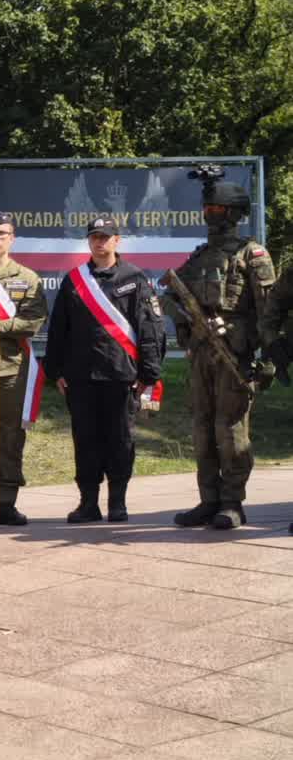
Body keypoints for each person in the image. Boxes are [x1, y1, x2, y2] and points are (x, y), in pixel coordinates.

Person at [164, 178, 273, 530]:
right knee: (202, 428)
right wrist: (182, 321)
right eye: (208, 209)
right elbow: (175, 296)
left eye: (218, 210)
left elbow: (269, 311)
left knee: (230, 429)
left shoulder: (252, 255)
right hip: (200, 353)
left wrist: (266, 358)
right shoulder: (198, 257)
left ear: (235, 213)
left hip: (234, 354)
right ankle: (208, 500)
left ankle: (232, 503)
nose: (211, 216)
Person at [44, 217, 165, 524]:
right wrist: (55, 369)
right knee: (85, 440)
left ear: (117, 240)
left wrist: (148, 374)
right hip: (80, 377)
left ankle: (117, 503)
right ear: (88, 241)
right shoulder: (75, 279)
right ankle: (88, 504)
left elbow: (150, 328)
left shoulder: (134, 278)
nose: (99, 242)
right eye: (94, 237)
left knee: (120, 440)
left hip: (121, 376)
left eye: (105, 237)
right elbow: (59, 328)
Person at [0, 213, 47, 527]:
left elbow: (32, 321)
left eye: (3, 233)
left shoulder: (27, 278)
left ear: (12, 238)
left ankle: (7, 505)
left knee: (10, 438)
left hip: (10, 371)